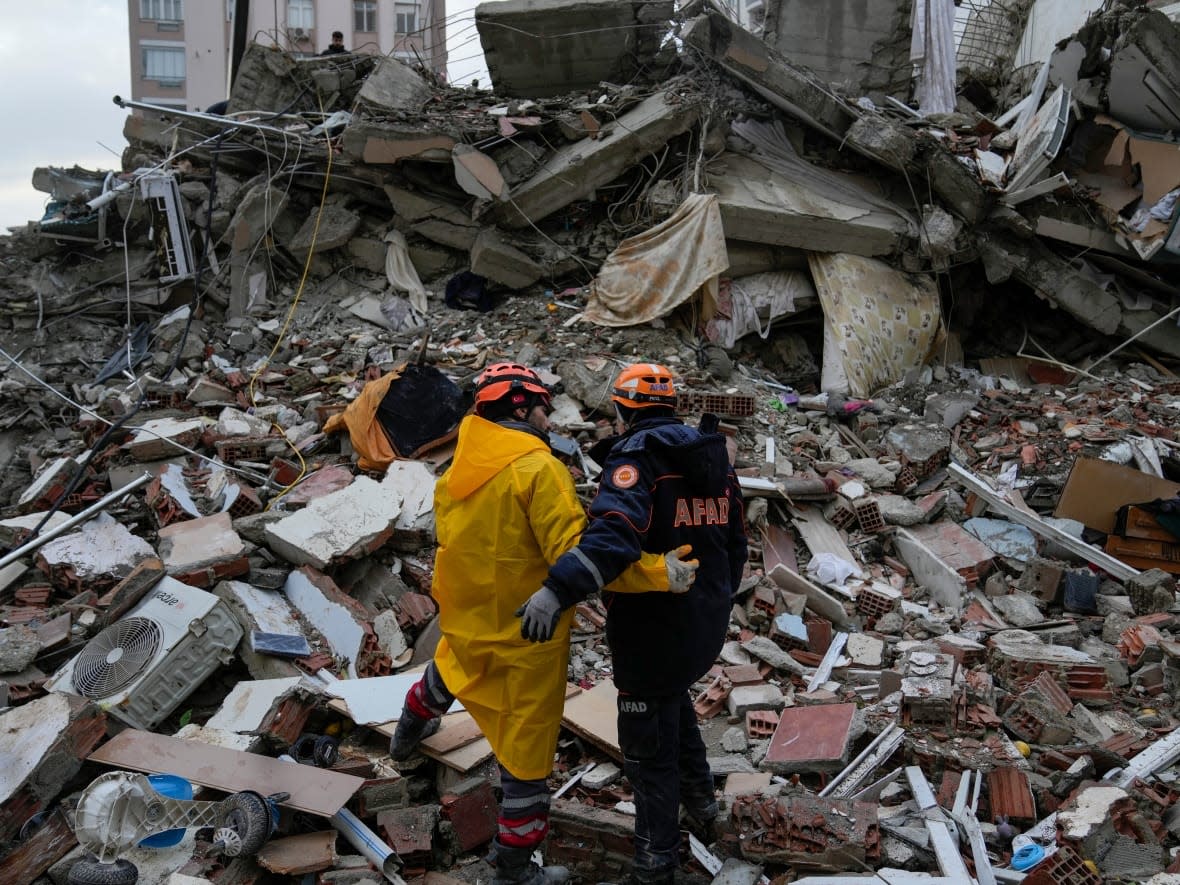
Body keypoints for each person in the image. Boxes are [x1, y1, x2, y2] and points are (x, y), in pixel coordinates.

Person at [389, 363, 698, 885]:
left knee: (442, 680)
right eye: (542, 406)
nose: (548, 416)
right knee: (527, 765)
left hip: (465, 625)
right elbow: (580, 559)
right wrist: (659, 573)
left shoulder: (459, 466)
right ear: (518, 407)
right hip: (525, 640)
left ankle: (404, 742)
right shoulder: (539, 472)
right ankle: (513, 871)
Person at [517, 363, 747, 885]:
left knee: (646, 750)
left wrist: (558, 590)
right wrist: (714, 601)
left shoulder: (636, 459)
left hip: (652, 631)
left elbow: (615, 539)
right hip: (702, 625)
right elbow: (736, 543)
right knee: (674, 702)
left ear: (623, 410)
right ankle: (703, 809)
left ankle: (654, 864)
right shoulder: (712, 454)